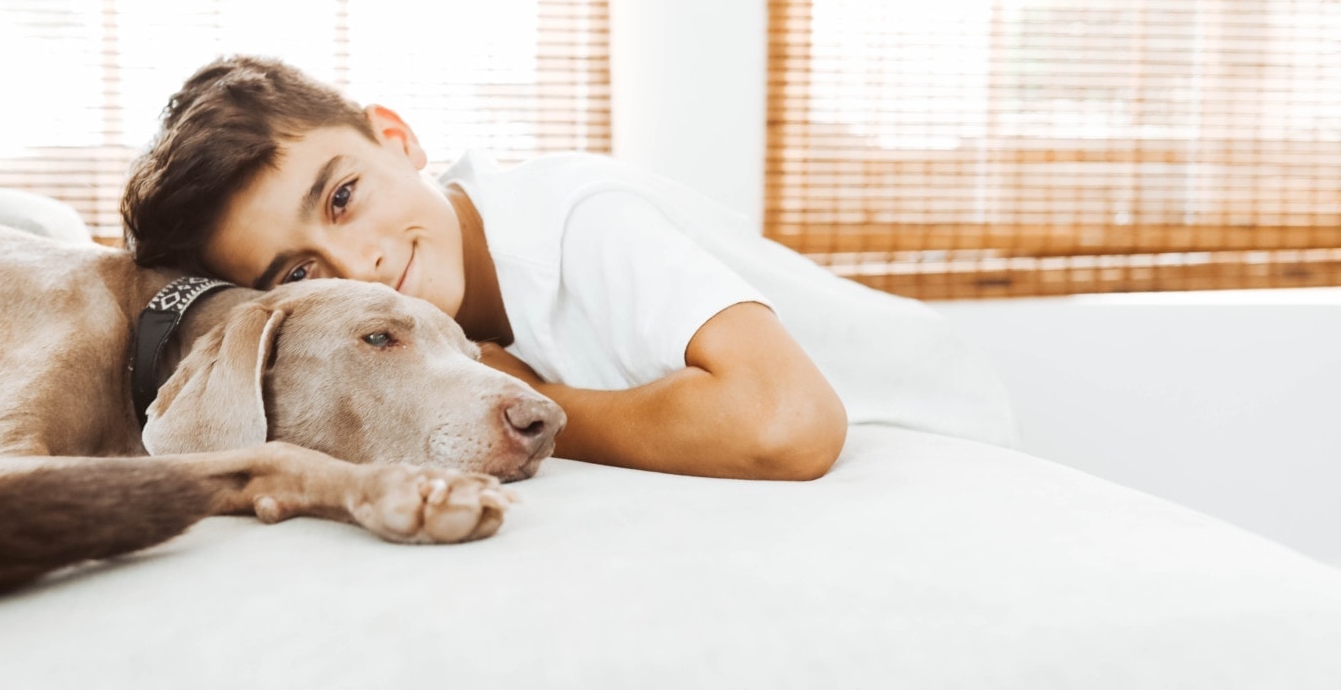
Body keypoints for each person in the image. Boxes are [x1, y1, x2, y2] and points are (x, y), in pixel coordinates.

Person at [120, 55, 848, 480]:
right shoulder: (422, 344)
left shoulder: (577, 215)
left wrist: (535, 399)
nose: (358, 264)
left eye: (343, 197)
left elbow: (787, 423)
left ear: (397, 138)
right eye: (300, 275)